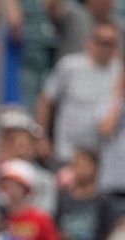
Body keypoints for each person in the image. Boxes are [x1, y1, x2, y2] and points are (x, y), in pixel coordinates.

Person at [37, 22, 123, 165]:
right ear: (91, 42)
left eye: (111, 43)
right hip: (66, 154)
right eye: (103, 42)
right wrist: (41, 137)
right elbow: (47, 99)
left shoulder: (120, 73)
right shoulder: (69, 65)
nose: (106, 48)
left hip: (101, 159)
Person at [44, 0, 121, 60]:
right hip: (73, 73)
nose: (103, 0)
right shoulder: (72, 15)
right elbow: (50, 3)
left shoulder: (119, 28)